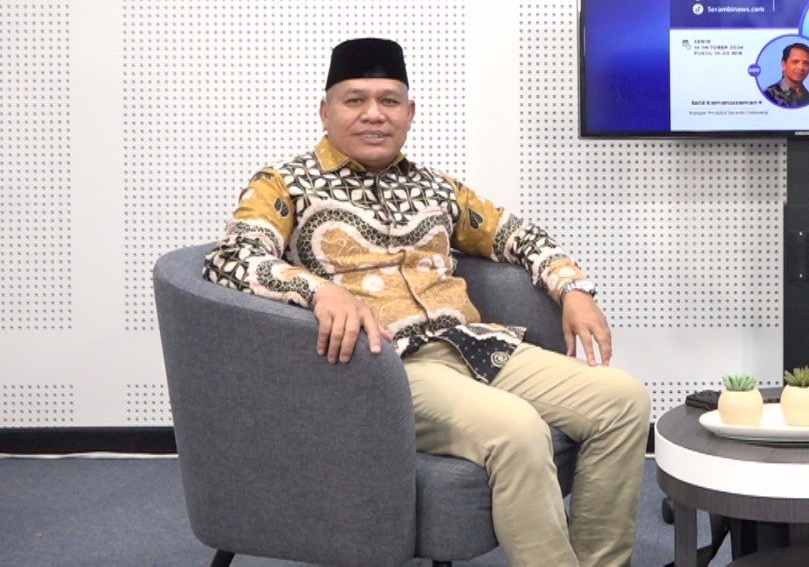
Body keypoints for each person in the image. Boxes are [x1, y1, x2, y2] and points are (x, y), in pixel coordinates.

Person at [202, 37, 649, 567]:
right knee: (518, 429)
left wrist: (572, 288)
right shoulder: (285, 185)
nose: (374, 114)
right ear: (325, 111)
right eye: (355, 100)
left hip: (476, 348)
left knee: (623, 400)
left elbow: (517, 235)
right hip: (383, 365)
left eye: (389, 101)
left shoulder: (437, 188)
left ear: (409, 113)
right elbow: (232, 258)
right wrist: (319, 290)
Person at [763, 42, 809, 107]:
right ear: (783, 64)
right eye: (795, 62)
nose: (801, 67)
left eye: (806, 63)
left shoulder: (808, 97)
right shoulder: (768, 95)